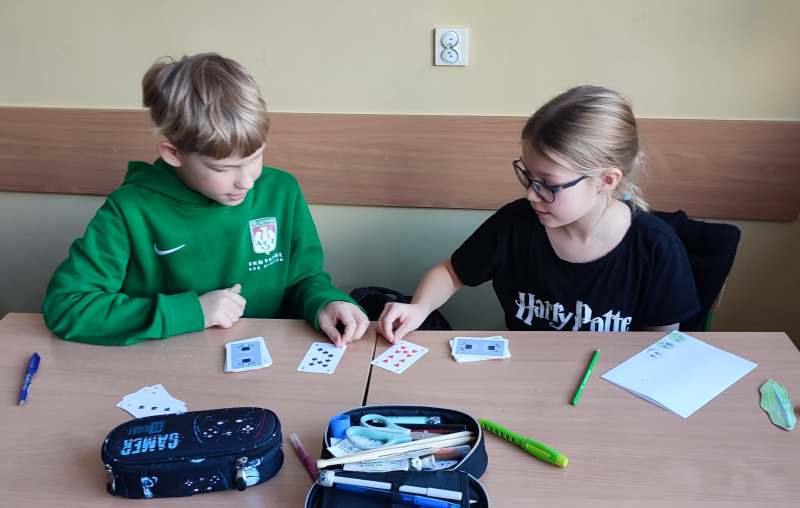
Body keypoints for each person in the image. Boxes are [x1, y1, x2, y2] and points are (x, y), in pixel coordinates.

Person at [43, 53, 368, 346]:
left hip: (264, 365)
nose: (247, 181)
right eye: (222, 168)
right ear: (173, 154)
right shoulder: (129, 209)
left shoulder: (282, 190)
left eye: (255, 157)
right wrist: (193, 311)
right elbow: (67, 306)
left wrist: (324, 301)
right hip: (164, 363)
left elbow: (303, 279)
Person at [378, 85, 699, 341]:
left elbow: (660, 343)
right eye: (528, 176)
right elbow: (451, 273)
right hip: (525, 377)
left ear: (605, 181)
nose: (531, 193)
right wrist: (419, 307)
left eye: (549, 184)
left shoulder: (656, 247)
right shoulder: (514, 224)